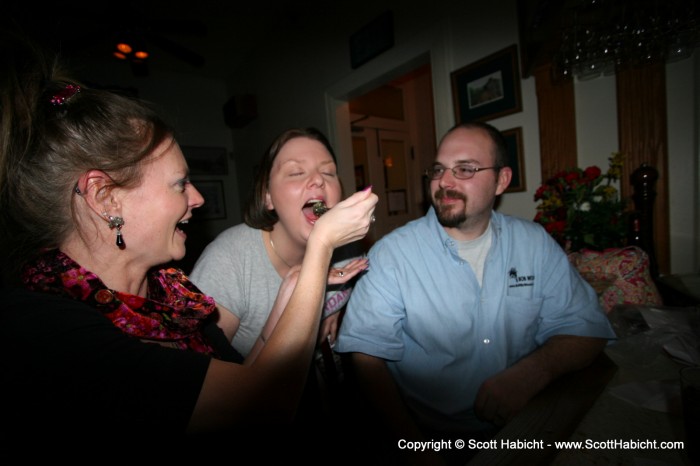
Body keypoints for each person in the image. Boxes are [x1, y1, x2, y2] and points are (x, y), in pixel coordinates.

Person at [0, 28, 378, 454]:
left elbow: (239, 379)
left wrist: (294, 288)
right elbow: (263, 403)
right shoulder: (44, 333)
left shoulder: (172, 295)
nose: (198, 199)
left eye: (328, 170)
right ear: (105, 198)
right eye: (180, 184)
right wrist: (320, 250)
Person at [335, 121, 616, 465]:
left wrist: (532, 373)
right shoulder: (391, 255)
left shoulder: (534, 243)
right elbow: (366, 358)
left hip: (528, 422)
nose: (444, 182)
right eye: (438, 169)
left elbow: (586, 328)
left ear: (501, 180)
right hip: (432, 436)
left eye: (464, 169)